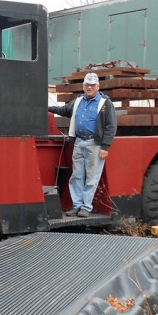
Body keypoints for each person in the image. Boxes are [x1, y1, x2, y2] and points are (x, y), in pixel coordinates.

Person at [48, 72, 117, 217]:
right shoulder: (78, 101)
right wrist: (48, 108)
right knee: (77, 175)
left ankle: (86, 207)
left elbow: (111, 126)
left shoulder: (105, 103)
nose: (89, 87)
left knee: (92, 177)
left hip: (95, 143)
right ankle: (77, 205)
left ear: (98, 86)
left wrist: (105, 147)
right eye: (87, 85)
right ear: (83, 86)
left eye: (92, 85)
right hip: (79, 142)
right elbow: (64, 110)